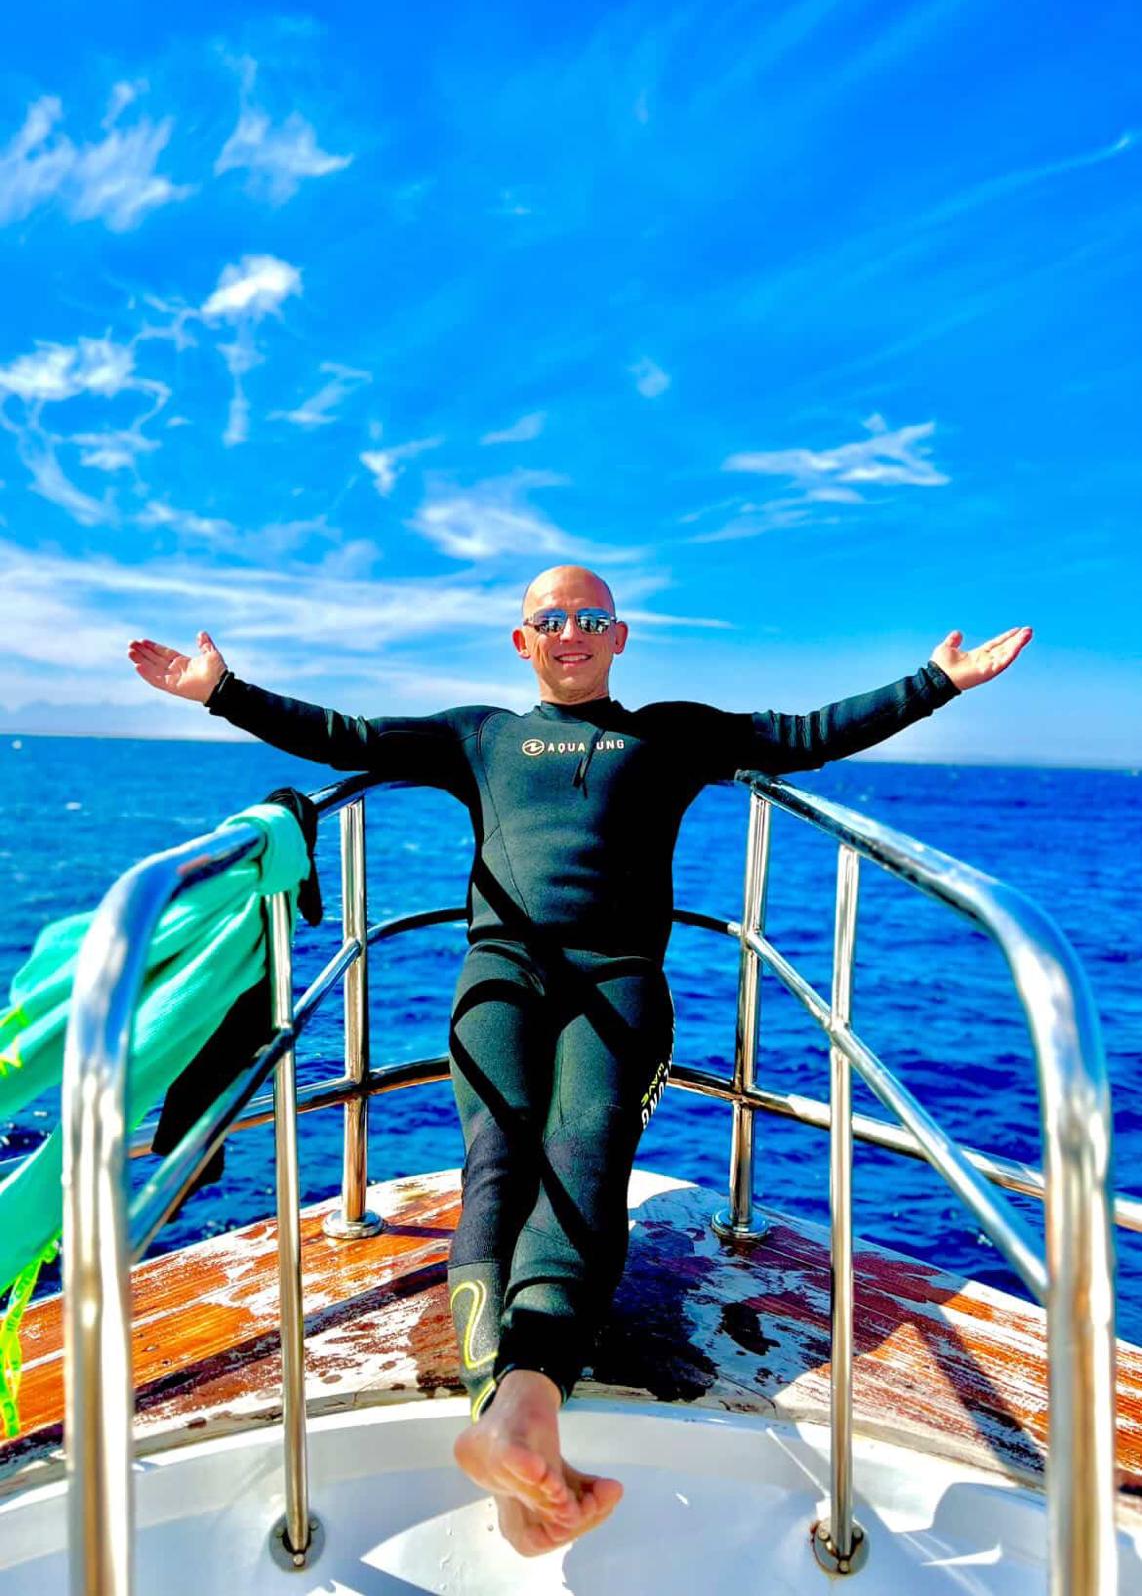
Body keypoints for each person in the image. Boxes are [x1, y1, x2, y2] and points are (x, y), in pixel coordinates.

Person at [127, 566, 1031, 1557]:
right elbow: (346, 737)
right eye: (550, 619)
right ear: (522, 641)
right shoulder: (479, 734)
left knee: (585, 1151)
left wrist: (935, 682)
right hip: (501, 972)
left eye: (589, 618)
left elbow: (805, 734)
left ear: (619, 636)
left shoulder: (673, 733)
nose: (570, 632)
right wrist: (220, 691)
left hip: (620, 977)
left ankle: (517, 1423)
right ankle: (516, 1422)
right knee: (499, 1162)